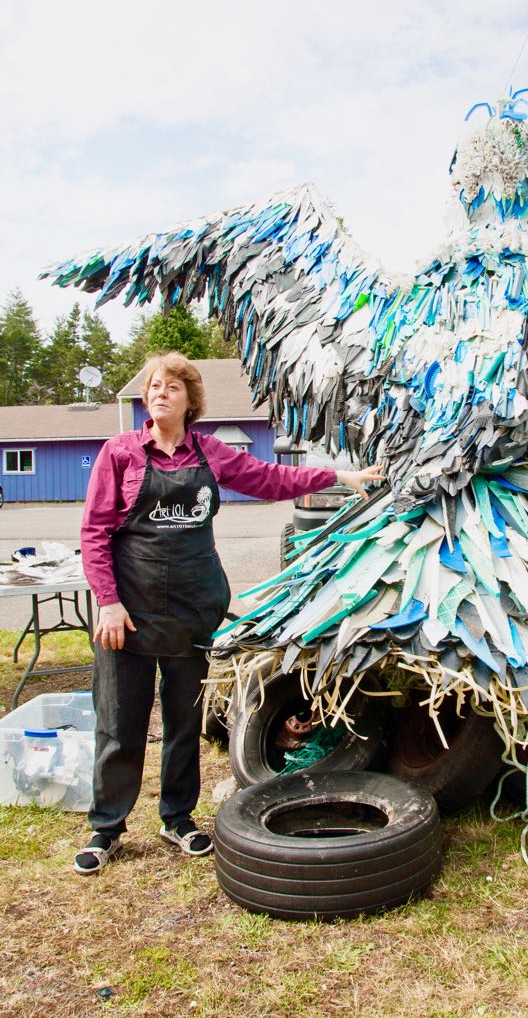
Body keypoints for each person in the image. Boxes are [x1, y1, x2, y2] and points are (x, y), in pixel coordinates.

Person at [74, 351, 384, 875]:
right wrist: (107, 601)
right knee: (119, 724)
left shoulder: (210, 452)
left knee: (182, 723)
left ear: (190, 400)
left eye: (172, 386)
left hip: (193, 611)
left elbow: (269, 479)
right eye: (154, 385)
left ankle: (177, 819)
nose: (160, 392)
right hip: (127, 615)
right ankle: (107, 827)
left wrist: (337, 475)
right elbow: (94, 532)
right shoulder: (120, 453)